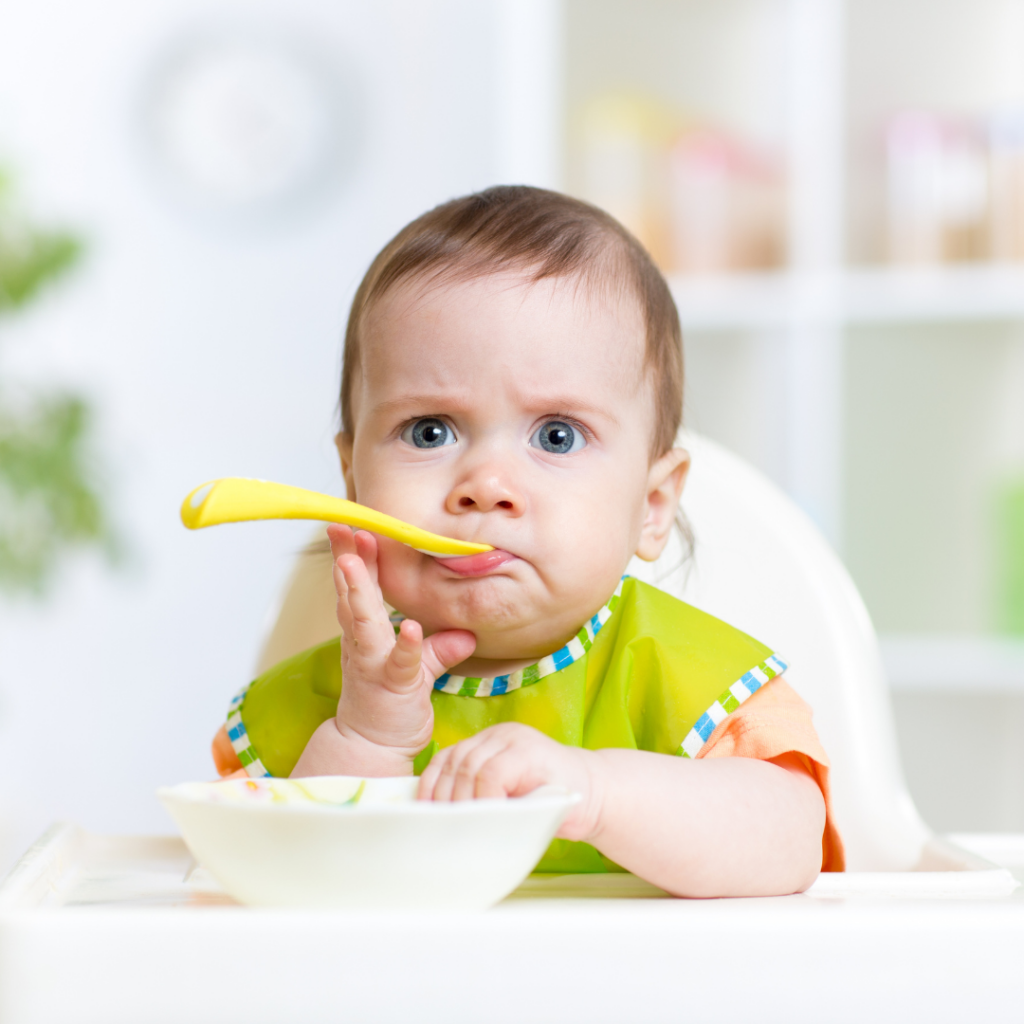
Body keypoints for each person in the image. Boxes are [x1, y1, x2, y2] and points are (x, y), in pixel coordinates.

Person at [211, 186, 844, 896]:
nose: (486, 484)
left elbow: (789, 846)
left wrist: (595, 791)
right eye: (429, 431)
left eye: (556, 436)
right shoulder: (320, 704)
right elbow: (289, 889)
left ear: (653, 505)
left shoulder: (688, 684)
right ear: (354, 484)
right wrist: (368, 738)